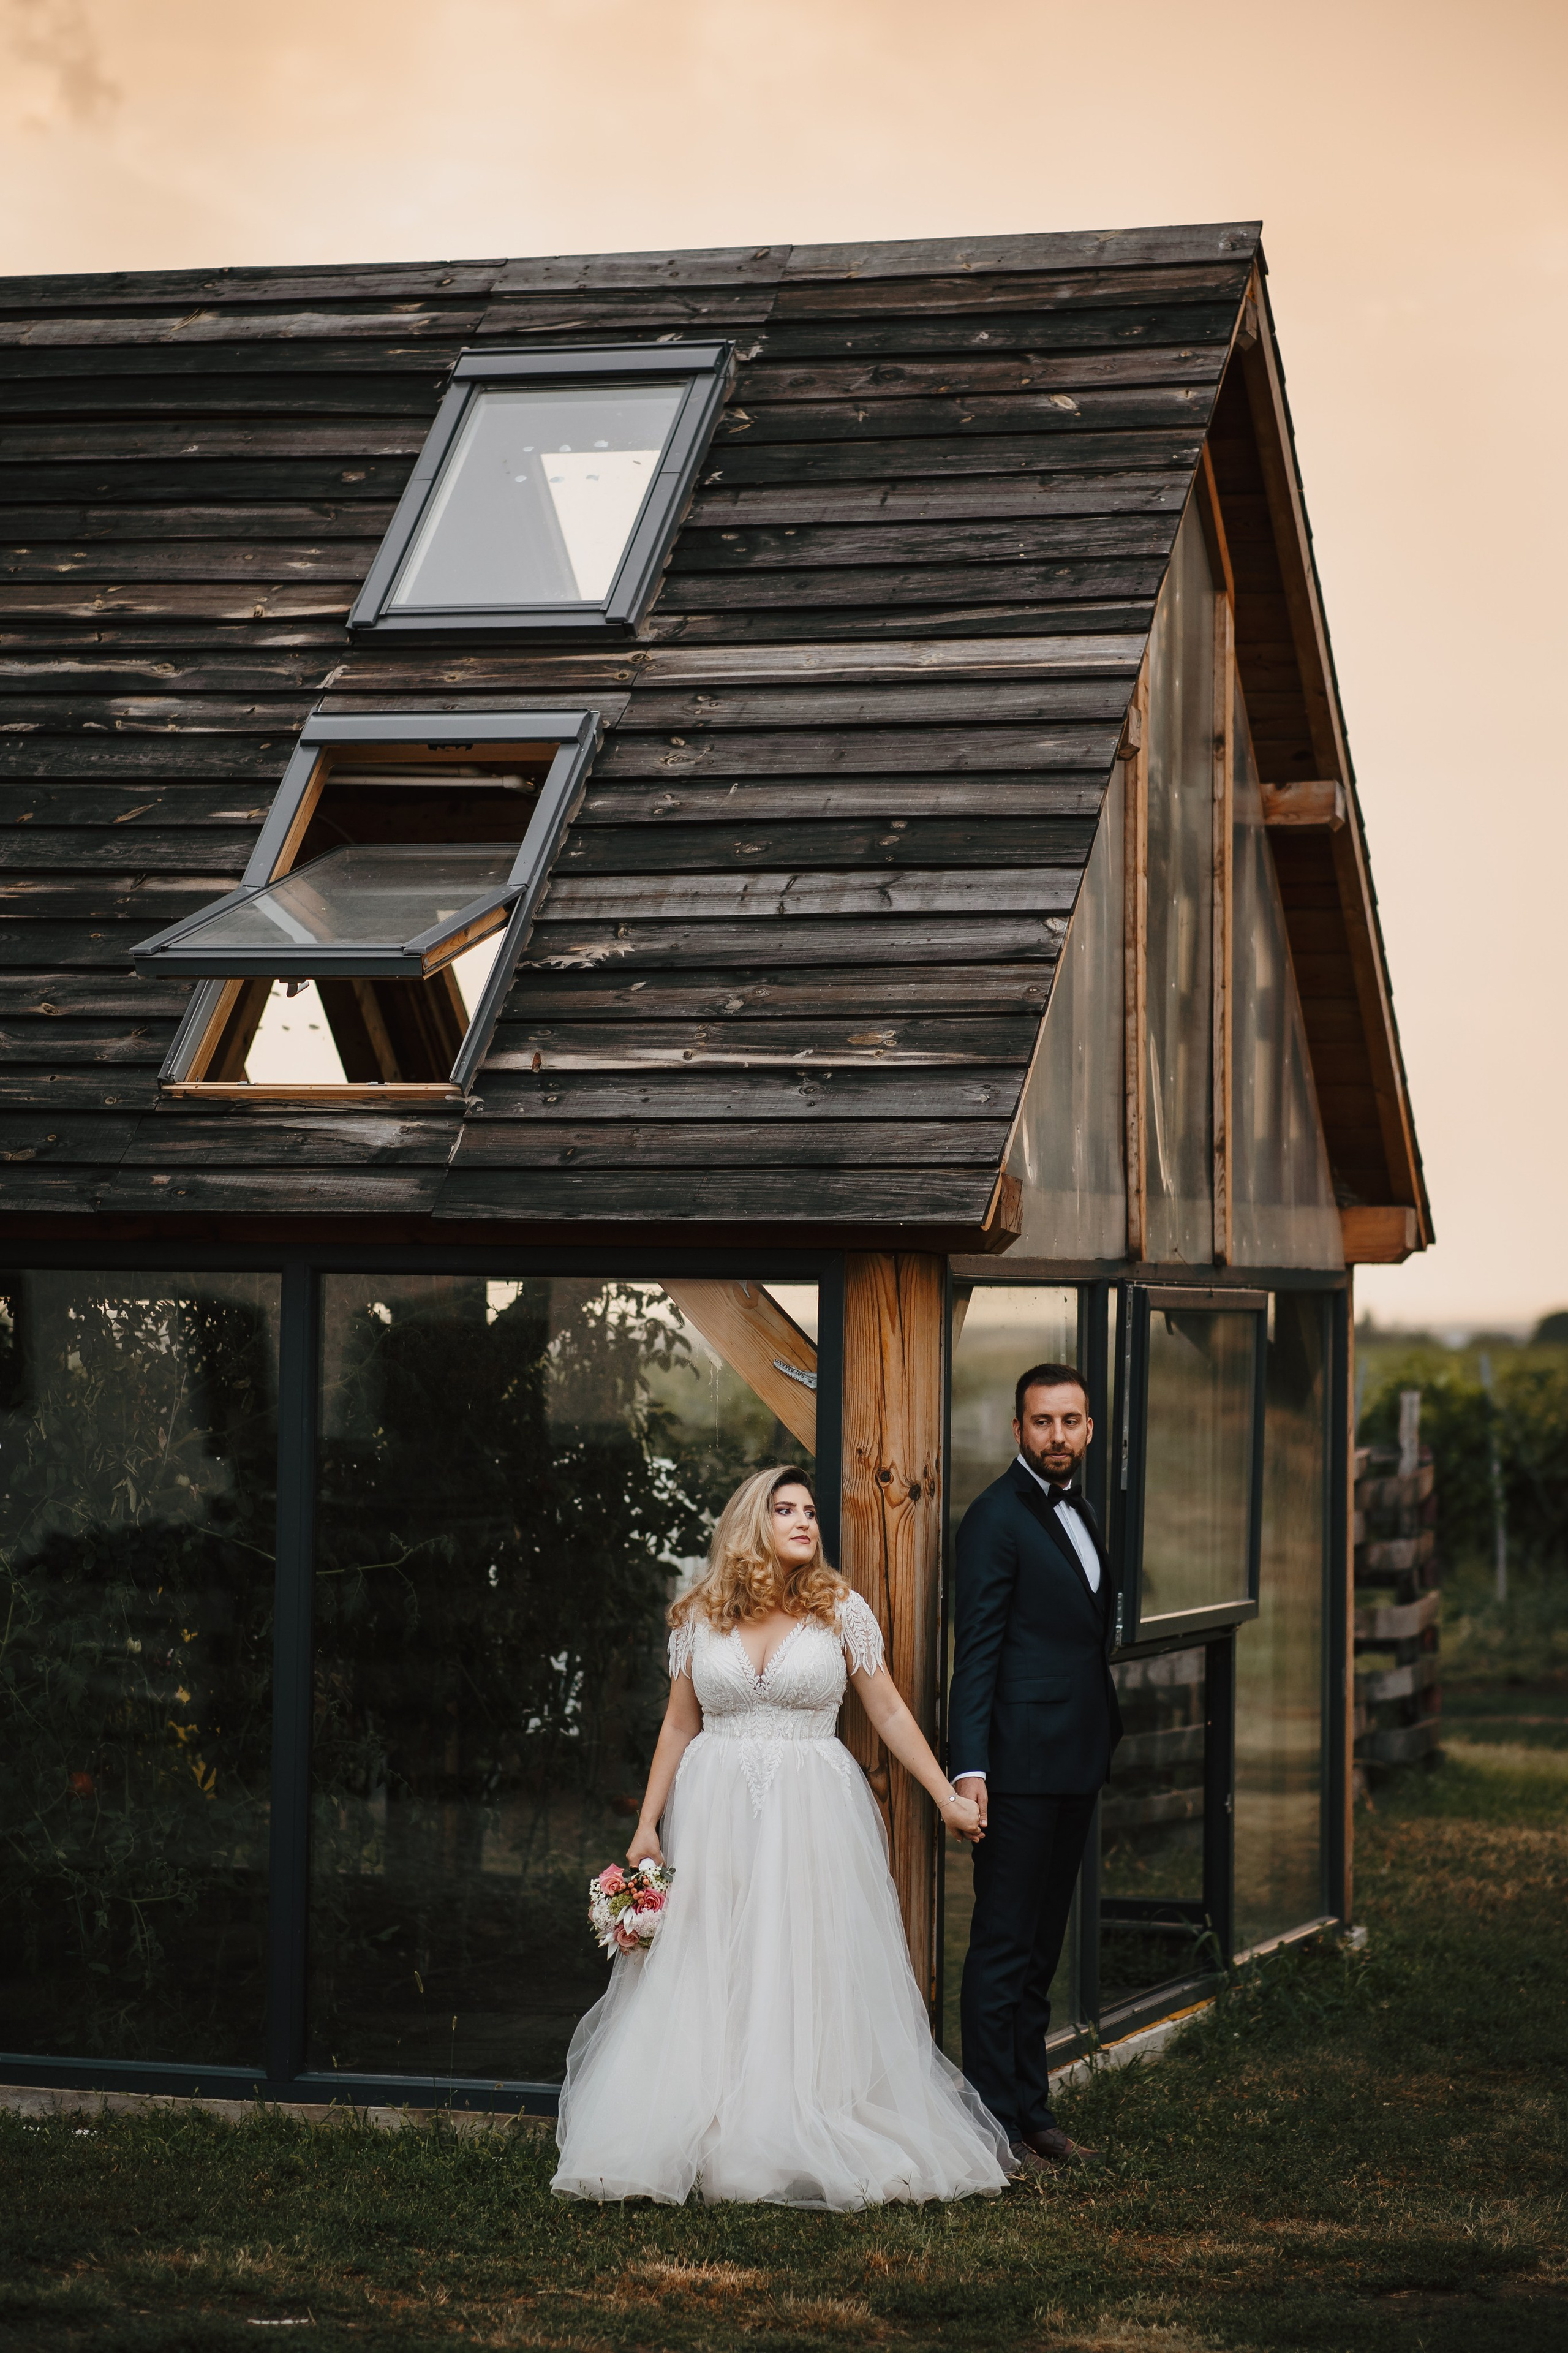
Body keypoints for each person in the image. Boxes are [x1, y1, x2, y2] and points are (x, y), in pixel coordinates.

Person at [552, 1465, 1013, 2208]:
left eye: (809, 1511)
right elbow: (679, 1721)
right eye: (785, 1509)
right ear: (749, 1523)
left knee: (799, 1957)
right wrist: (646, 1821)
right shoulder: (699, 1616)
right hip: (712, 1809)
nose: (804, 1521)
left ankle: (793, 2123)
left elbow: (890, 1712)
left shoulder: (841, 1610)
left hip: (812, 1808)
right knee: (712, 1959)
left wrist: (946, 1793)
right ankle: (706, 2124)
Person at [948, 1362, 1121, 2174]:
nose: (1058, 1435)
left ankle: (1034, 2111)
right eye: (1042, 1422)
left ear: (1089, 1429)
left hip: (1074, 1762)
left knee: (1041, 1949)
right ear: (1017, 1430)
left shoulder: (1080, 1508)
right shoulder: (995, 1519)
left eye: (1071, 1421)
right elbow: (976, 1652)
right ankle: (992, 2128)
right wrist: (971, 1768)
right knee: (1003, 1947)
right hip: (1015, 1767)